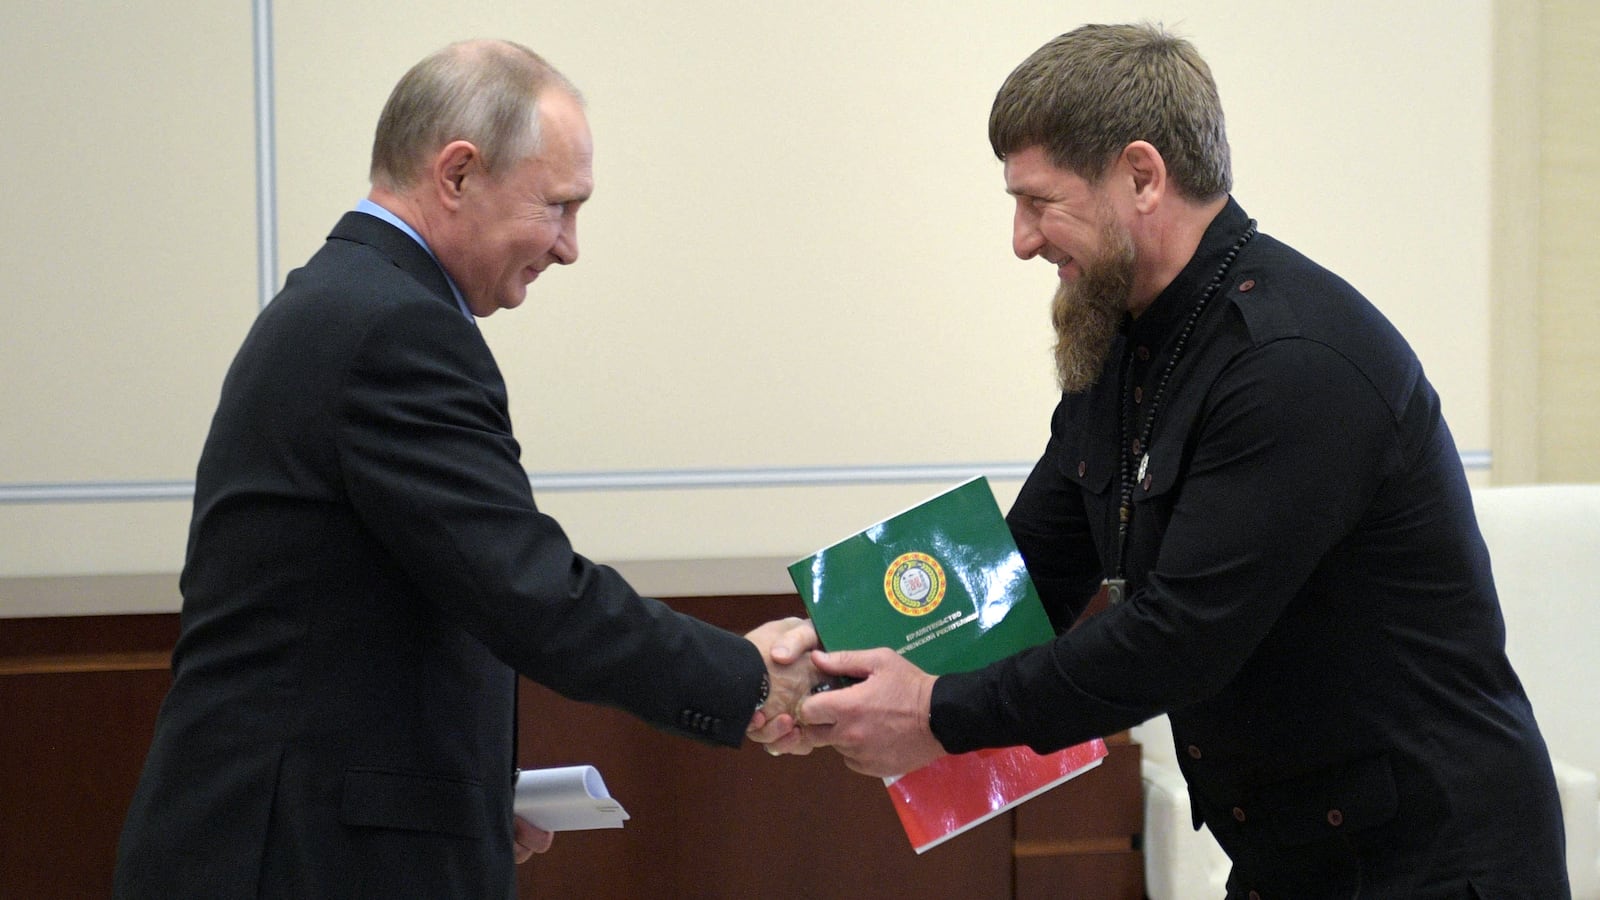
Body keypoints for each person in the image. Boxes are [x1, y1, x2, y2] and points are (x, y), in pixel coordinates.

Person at [767, 23, 1570, 898]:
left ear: (1142, 177)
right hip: (1292, 856)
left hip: (1433, 865)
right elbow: (1022, 572)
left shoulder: (1294, 364)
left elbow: (1176, 642)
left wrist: (934, 713)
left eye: (1041, 201)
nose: (1022, 239)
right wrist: (827, 662)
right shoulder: (1125, 339)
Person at [115, 39, 811, 899]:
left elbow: (388, 613)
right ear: (457, 174)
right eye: (558, 207)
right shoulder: (393, 329)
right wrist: (748, 677)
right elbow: (528, 591)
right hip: (296, 860)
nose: (569, 247)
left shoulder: (350, 300)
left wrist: (467, 796)